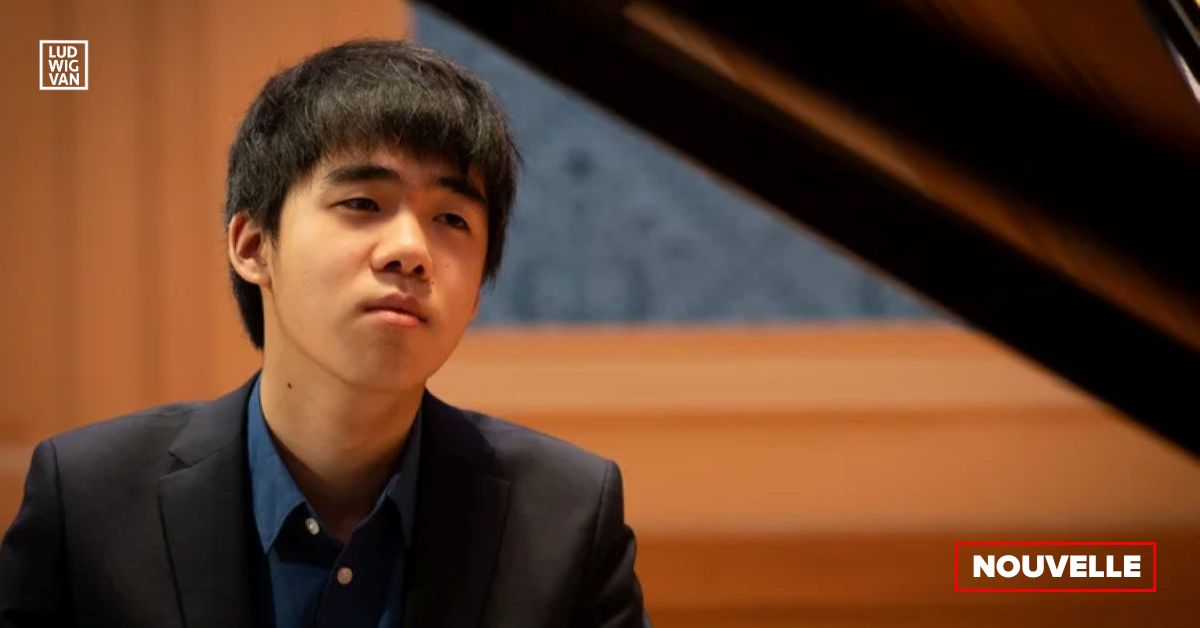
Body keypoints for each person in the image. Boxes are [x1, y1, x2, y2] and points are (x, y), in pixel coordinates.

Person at [0, 39, 647, 628]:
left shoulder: (566, 517)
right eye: (363, 203)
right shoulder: (88, 502)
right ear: (253, 245)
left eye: (452, 218)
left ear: (477, 289)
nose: (411, 250)